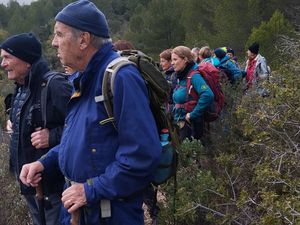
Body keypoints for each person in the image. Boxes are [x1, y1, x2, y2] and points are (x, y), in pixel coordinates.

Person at [19, 1, 161, 225]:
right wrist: (44, 163)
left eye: (59, 34)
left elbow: (142, 156)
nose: (54, 42)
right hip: (80, 210)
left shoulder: (120, 77)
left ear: (83, 39)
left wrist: (90, 190)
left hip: (108, 214)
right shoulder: (82, 79)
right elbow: (79, 142)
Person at [0, 32, 72, 225]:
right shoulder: (21, 88)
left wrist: (53, 136)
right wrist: (14, 121)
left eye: (7, 57)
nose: (3, 63)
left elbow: (82, 128)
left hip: (54, 187)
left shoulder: (54, 85)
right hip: (29, 184)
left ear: (27, 60)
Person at [172, 45, 214, 141]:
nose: (172, 63)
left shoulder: (194, 76)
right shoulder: (182, 75)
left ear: (185, 60)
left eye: (175, 59)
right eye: (172, 60)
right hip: (182, 122)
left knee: (189, 154)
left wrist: (193, 114)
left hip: (191, 125)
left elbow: (208, 95)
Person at [159, 48, 176, 113]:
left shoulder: (174, 75)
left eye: (163, 61)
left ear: (170, 61)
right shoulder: (167, 74)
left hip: (172, 109)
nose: (160, 64)